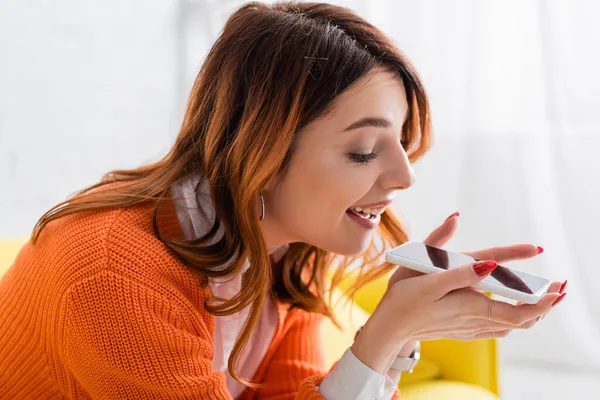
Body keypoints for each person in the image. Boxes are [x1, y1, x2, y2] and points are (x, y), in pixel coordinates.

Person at [0, 2, 567, 399]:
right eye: (365, 151)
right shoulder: (113, 274)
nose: (403, 177)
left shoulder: (281, 248)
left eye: (400, 144)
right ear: (263, 148)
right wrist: (380, 338)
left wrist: (397, 333)